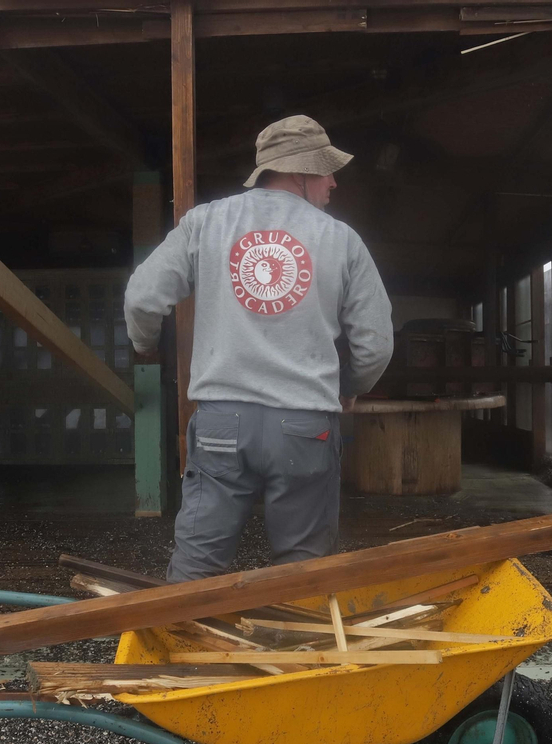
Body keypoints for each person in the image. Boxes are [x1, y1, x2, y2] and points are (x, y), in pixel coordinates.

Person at [125, 115, 394, 583]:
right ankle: (298, 652)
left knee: (197, 567)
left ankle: (179, 650)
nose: (333, 182)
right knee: (302, 572)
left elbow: (141, 298)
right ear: (300, 172)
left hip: (220, 422)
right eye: (326, 170)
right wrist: (348, 388)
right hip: (306, 426)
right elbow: (376, 344)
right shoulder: (341, 239)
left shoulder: (206, 223)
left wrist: (146, 346)